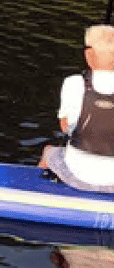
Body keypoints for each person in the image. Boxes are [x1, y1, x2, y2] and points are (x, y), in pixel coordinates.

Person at [38, 24, 114, 192]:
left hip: (78, 176)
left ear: (89, 55)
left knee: (50, 150)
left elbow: (65, 128)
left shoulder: (74, 83)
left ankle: (38, 190)